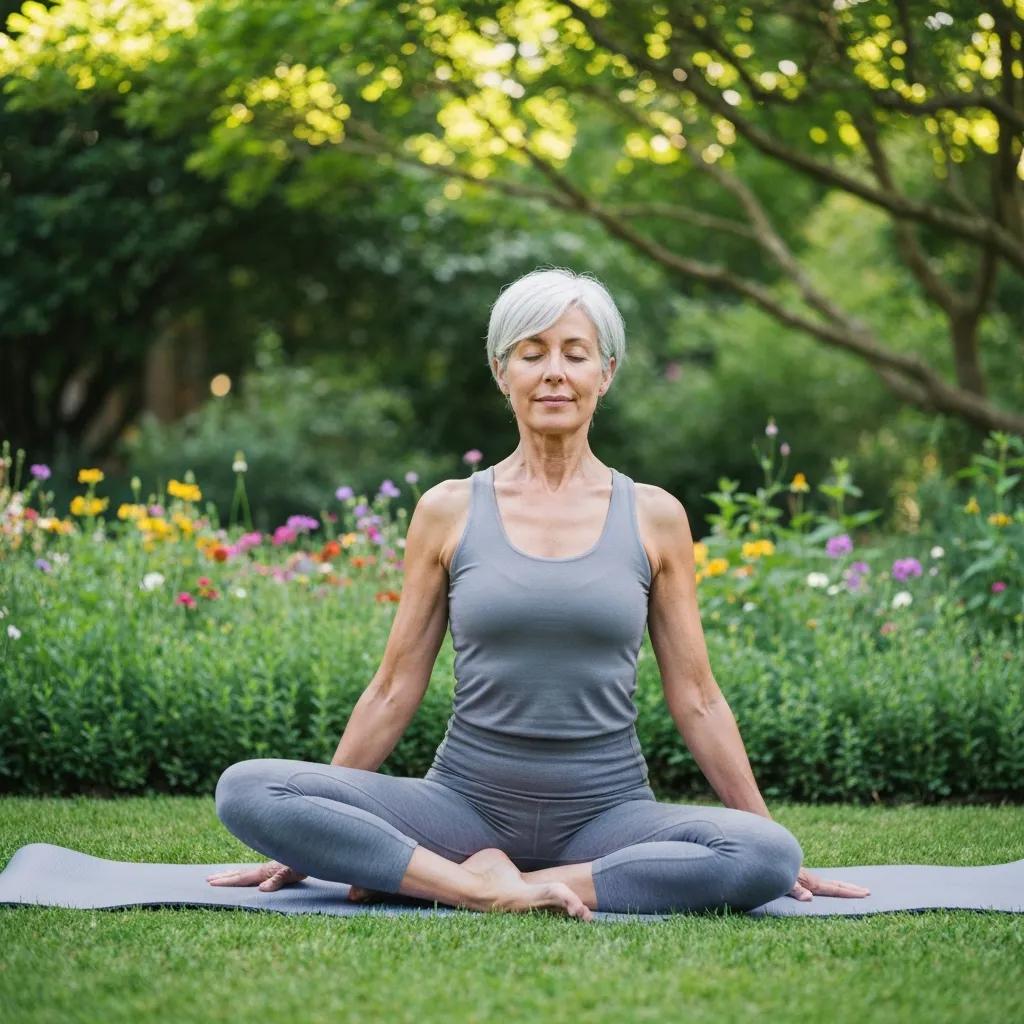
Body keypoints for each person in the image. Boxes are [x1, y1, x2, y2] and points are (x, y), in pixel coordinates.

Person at [208, 267, 870, 922]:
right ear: (503, 372)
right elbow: (393, 688)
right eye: (532, 353)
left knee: (765, 854)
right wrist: (322, 823)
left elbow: (696, 696)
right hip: (462, 808)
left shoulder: (654, 515)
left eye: (575, 354)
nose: (555, 372)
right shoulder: (447, 510)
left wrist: (772, 841)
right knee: (248, 790)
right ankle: (478, 885)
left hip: (608, 817)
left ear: (604, 374)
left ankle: (471, 880)